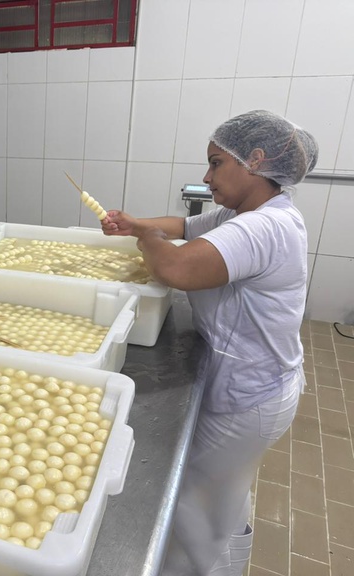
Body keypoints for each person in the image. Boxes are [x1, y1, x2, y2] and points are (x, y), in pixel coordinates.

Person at [101, 110, 318, 576]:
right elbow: (185, 227)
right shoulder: (251, 213)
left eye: (216, 163)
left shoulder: (263, 228)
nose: (206, 177)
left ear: (254, 160)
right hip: (259, 384)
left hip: (249, 396)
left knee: (197, 514)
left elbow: (175, 267)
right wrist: (136, 224)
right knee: (223, 499)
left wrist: (149, 240)